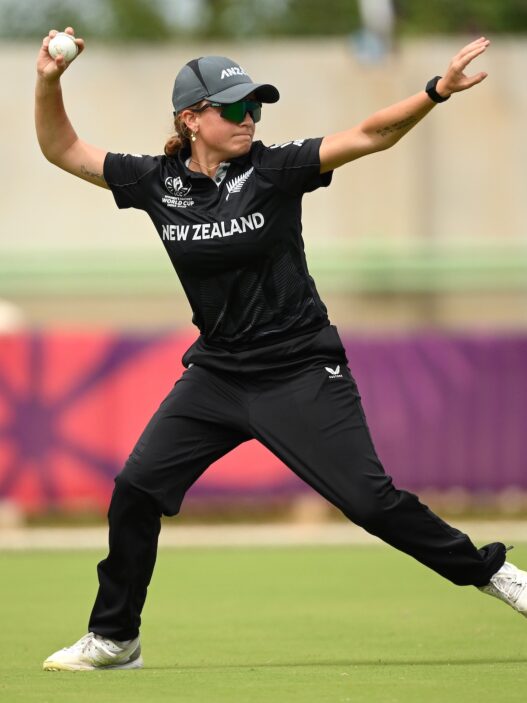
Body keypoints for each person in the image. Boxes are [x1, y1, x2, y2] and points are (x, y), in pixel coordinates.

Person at [36, 28, 526, 672]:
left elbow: (371, 135)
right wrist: (48, 81)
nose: (250, 118)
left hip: (300, 369)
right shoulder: (155, 181)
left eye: (256, 106)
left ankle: (496, 575)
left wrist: (435, 91)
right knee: (136, 488)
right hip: (218, 375)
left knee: (370, 503)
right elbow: (62, 149)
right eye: (234, 107)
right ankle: (115, 638)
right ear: (191, 119)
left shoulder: (274, 169)